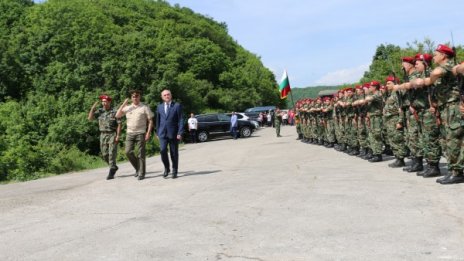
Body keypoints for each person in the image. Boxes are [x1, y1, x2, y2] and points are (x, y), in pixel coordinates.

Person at [116, 90, 154, 180]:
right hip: (130, 133)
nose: (135, 97)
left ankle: (141, 173)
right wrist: (124, 104)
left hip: (141, 132)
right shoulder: (128, 107)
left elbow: (150, 121)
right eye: (133, 96)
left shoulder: (144, 107)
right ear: (131, 98)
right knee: (128, 152)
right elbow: (117, 115)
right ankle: (138, 168)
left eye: (137, 96)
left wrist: (148, 133)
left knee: (141, 153)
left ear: (139, 97)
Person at [88, 94, 121, 180]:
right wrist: (92, 109)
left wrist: (118, 135)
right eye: (102, 102)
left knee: (111, 153)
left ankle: (112, 171)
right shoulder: (100, 111)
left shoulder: (114, 112)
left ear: (109, 102)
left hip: (112, 134)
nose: (104, 103)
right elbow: (90, 118)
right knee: (104, 154)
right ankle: (113, 166)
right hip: (103, 135)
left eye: (105, 101)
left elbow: (119, 124)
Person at [155, 89, 184, 179]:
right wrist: (157, 132)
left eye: (168, 94)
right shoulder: (159, 107)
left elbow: (181, 120)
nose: (167, 96)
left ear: (171, 95)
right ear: (162, 97)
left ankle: (174, 170)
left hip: (174, 133)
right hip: (162, 133)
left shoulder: (177, 106)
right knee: (163, 151)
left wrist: (180, 132)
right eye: (165, 95)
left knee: (174, 153)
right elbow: (158, 120)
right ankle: (167, 168)